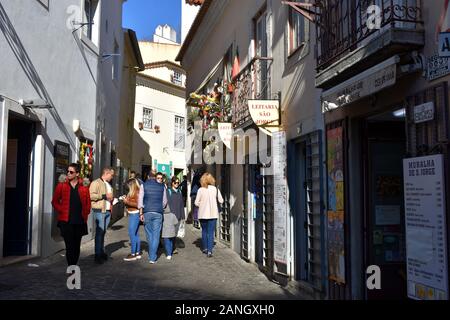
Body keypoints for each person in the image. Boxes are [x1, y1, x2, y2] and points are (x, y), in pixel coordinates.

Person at [51, 163, 91, 266]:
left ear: (77, 173)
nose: (68, 173)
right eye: (67, 171)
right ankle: (71, 267)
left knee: (77, 246)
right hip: (66, 221)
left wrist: (86, 212)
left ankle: (74, 265)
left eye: (71, 172)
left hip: (80, 221)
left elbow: (88, 203)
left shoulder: (84, 186)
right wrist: (62, 210)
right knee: (69, 246)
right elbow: (54, 201)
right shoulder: (62, 185)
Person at [138, 170, 167, 264]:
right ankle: (152, 257)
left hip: (147, 212)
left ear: (147, 177)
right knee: (156, 234)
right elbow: (164, 201)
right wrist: (160, 207)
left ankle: (152, 254)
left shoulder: (143, 185)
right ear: (155, 177)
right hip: (158, 212)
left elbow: (140, 200)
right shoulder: (163, 186)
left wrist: (141, 213)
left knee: (149, 234)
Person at [89, 167, 115, 264]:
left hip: (107, 210)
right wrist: (104, 196)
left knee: (103, 232)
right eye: (111, 175)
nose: (112, 177)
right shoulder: (96, 183)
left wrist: (113, 199)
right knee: (99, 233)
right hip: (99, 210)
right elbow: (91, 195)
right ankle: (97, 254)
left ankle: (102, 251)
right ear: (106, 173)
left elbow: (109, 197)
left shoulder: (108, 184)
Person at [195, 173, 224, 258]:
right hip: (213, 214)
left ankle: (205, 248)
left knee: (204, 231)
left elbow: (196, 203)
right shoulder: (215, 189)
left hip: (203, 214)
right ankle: (210, 251)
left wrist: (202, 203)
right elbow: (221, 201)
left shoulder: (200, 190)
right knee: (211, 232)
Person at [164, 176, 185, 257]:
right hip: (170, 216)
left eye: (178, 183)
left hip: (178, 216)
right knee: (170, 233)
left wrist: (183, 216)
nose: (177, 184)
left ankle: (172, 247)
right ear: (172, 183)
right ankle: (171, 249)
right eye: (175, 182)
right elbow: (166, 203)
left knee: (175, 234)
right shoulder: (168, 191)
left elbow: (181, 204)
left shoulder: (179, 191)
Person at [122, 178, 142, 261]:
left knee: (132, 234)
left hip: (134, 214)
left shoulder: (137, 191)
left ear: (132, 185)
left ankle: (133, 254)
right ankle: (137, 253)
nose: (127, 187)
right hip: (133, 214)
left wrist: (127, 202)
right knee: (136, 234)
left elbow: (138, 204)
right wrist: (126, 199)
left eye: (128, 186)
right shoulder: (135, 191)